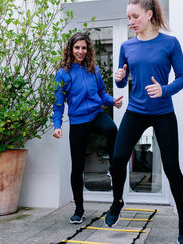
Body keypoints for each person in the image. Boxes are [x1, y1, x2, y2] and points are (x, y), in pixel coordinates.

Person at [103, 0, 183, 244]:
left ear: (149, 14)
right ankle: (117, 202)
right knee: (118, 158)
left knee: (172, 168)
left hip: (163, 112)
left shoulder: (170, 43)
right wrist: (119, 79)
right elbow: (121, 85)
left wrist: (164, 90)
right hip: (136, 111)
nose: (131, 21)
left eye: (135, 16)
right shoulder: (126, 46)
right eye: (128, 17)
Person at [52, 32, 123, 224]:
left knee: (111, 129)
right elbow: (58, 104)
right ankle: (79, 209)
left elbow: (101, 93)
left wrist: (112, 101)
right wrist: (57, 125)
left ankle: (113, 166)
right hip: (78, 121)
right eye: (77, 48)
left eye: (84, 48)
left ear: (88, 49)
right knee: (77, 167)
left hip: (95, 114)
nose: (80, 51)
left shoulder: (93, 69)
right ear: (70, 49)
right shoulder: (63, 73)